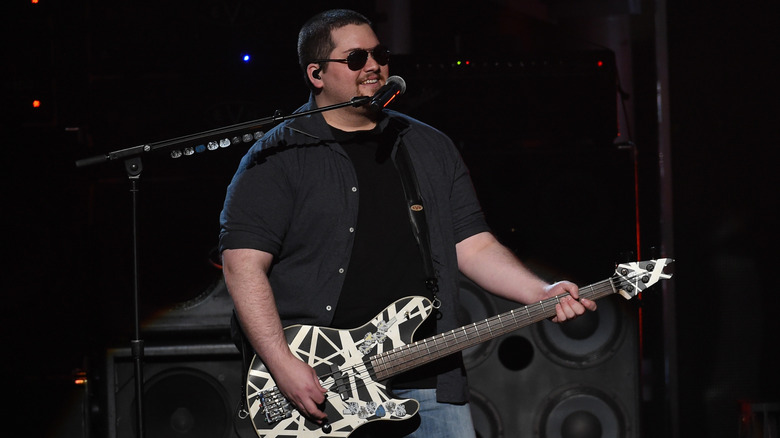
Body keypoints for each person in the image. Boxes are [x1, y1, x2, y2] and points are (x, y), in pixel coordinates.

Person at [219, 8, 597, 438]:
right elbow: (242, 266)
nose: (374, 66)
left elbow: (472, 245)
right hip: (322, 384)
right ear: (316, 74)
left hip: (429, 379)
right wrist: (282, 363)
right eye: (356, 58)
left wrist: (542, 292)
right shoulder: (277, 156)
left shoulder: (428, 146)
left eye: (380, 54)